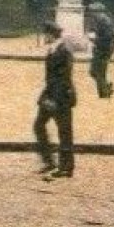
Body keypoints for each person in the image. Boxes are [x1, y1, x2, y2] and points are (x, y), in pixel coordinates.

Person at [34, 21, 76, 179]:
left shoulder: (63, 51)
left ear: (51, 35)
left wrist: (54, 100)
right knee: (38, 125)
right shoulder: (54, 49)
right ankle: (49, 161)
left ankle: (66, 167)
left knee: (64, 132)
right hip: (50, 94)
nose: (45, 37)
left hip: (61, 96)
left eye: (46, 34)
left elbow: (64, 78)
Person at [87, 2, 114, 99]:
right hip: (102, 48)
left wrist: (94, 40)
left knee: (96, 71)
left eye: (93, 12)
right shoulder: (100, 20)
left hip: (103, 49)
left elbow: (107, 37)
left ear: (98, 11)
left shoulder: (103, 21)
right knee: (98, 71)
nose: (91, 14)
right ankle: (105, 89)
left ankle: (105, 91)